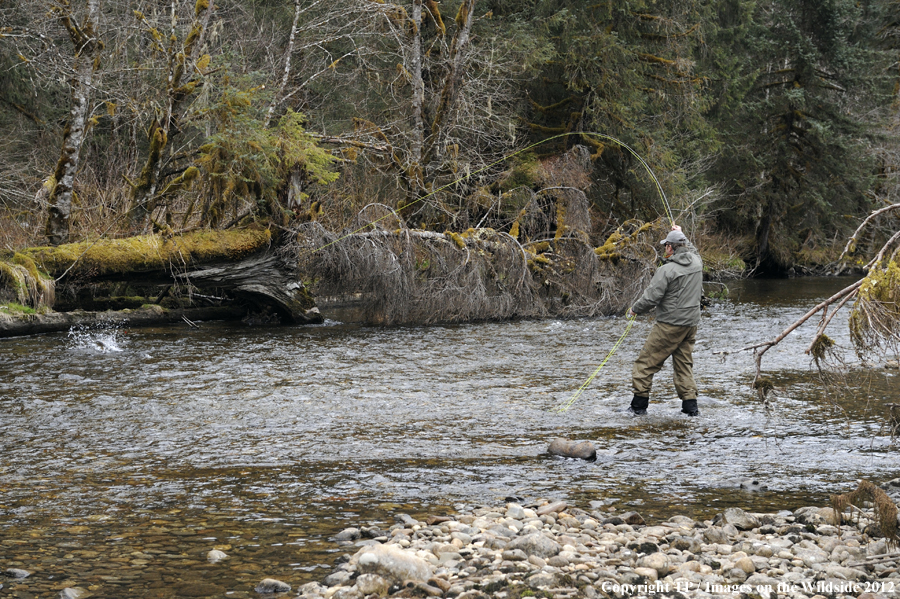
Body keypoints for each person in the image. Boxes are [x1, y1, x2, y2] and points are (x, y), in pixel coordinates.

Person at [626, 225, 703, 416]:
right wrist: (680, 232)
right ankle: (691, 409)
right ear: (684, 245)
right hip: (690, 325)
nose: (664, 249)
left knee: (644, 364)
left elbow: (651, 298)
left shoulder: (666, 270)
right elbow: (692, 250)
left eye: (666, 246)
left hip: (670, 325)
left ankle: (638, 408)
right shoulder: (697, 262)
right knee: (683, 365)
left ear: (670, 248)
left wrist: (634, 310)